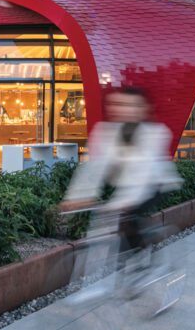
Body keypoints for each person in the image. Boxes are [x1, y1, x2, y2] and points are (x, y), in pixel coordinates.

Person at [60, 87, 180, 264]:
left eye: (127, 105)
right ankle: (128, 258)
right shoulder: (104, 131)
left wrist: (123, 204)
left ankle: (140, 262)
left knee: (128, 220)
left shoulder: (155, 134)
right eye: (115, 104)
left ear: (141, 110)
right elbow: (93, 168)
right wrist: (77, 198)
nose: (120, 109)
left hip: (155, 184)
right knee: (109, 223)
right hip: (126, 184)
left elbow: (144, 173)